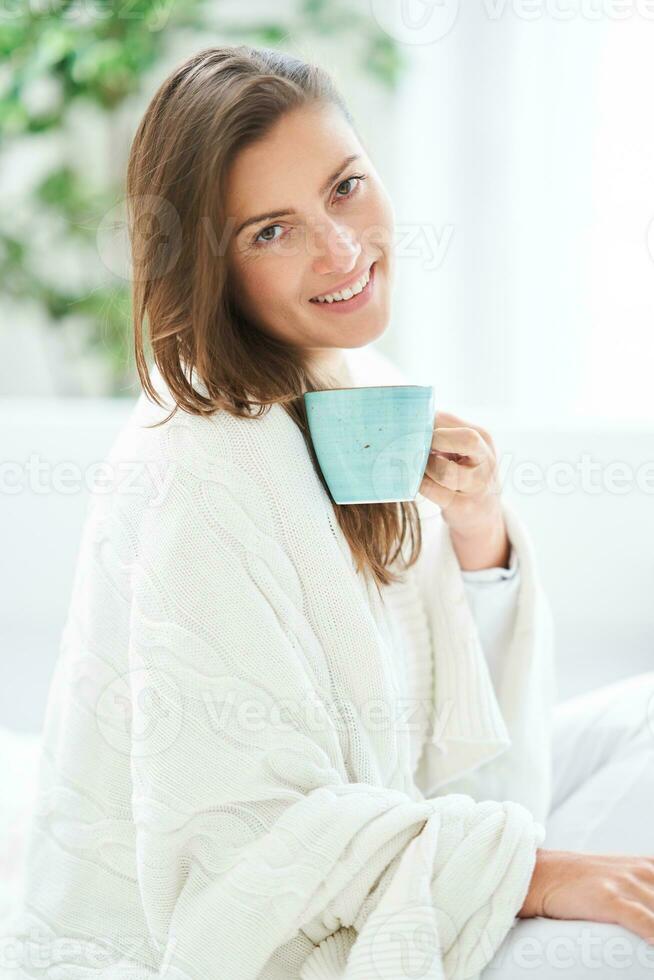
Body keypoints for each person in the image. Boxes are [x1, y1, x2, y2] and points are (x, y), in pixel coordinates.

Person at [2, 44, 654, 980]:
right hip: (266, 930)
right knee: (614, 950)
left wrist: (477, 535)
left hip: (403, 838)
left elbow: (437, 726)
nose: (341, 250)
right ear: (210, 269)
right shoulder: (198, 467)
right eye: (271, 231)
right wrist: (534, 874)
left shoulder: (356, 386)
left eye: (345, 187)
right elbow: (242, 846)